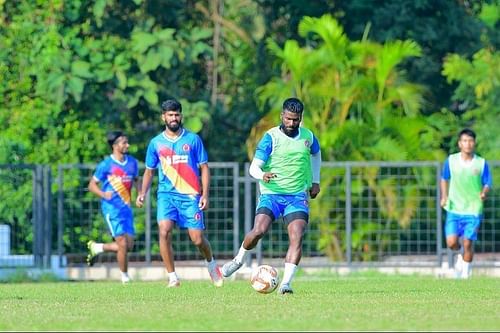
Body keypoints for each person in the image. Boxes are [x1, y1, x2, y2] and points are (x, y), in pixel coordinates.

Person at [221, 97, 321, 294]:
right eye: (289, 119)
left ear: (300, 118)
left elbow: (316, 154)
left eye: (296, 119)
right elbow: (253, 168)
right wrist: (262, 175)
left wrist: (315, 180)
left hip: (297, 196)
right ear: (282, 115)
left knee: (297, 236)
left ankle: (285, 284)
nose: (292, 123)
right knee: (258, 231)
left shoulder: (308, 137)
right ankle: (239, 259)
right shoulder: (270, 138)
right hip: (271, 195)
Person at [135, 98, 223, 288]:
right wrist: (142, 192)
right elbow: (149, 171)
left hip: (191, 196)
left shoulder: (193, 139)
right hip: (166, 196)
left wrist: (205, 194)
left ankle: (211, 263)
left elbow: (204, 168)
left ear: (181, 116)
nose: (174, 118)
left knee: (197, 239)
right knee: (164, 230)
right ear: (163, 117)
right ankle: (173, 277)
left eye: (177, 114)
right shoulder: (156, 143)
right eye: (170, 115)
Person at [87, 131, 140, 284]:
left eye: (127, 142)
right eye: (124, 142)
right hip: (111, 209)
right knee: (122, 243)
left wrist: (140, 194)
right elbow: (91, 185)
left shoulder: (132, 163)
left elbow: (137, 180)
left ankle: (98, 248)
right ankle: (125, 277)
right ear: (115, 146)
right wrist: (103, 194)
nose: (127, 145)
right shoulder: (106, 165)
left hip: (126, 209)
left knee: (128, 245)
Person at [440, 128, 492, 279]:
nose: (467, 144)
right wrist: (444, 196)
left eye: (470, 141)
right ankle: (459, 258)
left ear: (474, 143)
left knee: (468, 242)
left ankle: (465, 273)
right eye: (464, 141)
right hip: (454, 208)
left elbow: (487, 182)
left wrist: (484, 192)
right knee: (451, 242)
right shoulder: (451, 160)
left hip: (473, 209)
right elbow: (444, 178)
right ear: (459, 143)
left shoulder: (481, 163)